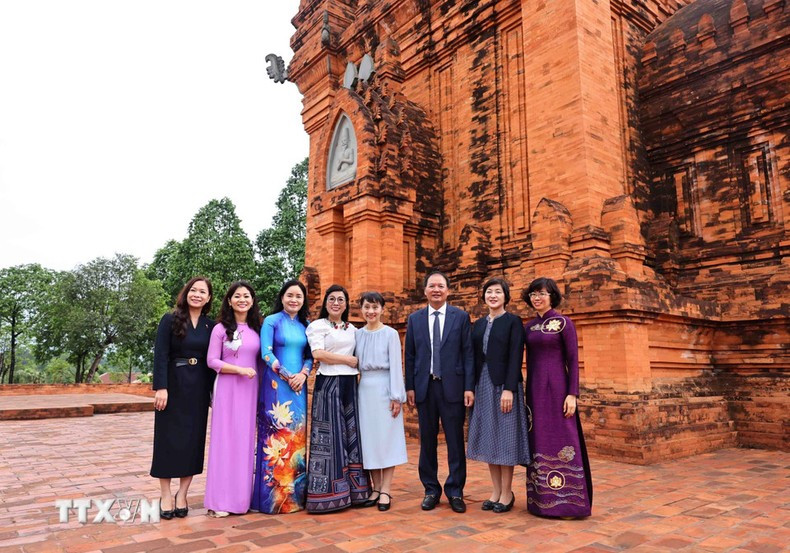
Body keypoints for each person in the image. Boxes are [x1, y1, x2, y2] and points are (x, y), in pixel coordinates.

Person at [405, 271, 474, 513]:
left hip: (453, 387)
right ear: (425, 291)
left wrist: (469, 387)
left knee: (455, 441)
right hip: (425, 388)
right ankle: (431, 490)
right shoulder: (414, 319)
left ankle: (455, 491)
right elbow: (410, 355)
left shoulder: (461, 317)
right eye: (432, 286)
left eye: (441, 286)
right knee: (427, 441)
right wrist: (409, 387)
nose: (436, 289)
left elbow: (468, 354)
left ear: (448, 291)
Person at [523, 277, 592, 518]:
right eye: (533, 294)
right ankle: (540, 501)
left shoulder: (564, 323)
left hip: (559, 390)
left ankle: (569, 504)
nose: (537, 297)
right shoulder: (529, 327)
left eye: (541, 293)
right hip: (534, 392)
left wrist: (572, 393)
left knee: (564, 436)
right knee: (538, 438)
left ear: (552, 295)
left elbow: (573, 361)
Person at [151, 277, 215, 520]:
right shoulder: (170, 319)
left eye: (203, 292)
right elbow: (161, 355)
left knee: (192, 441)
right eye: (194, 290)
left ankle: (183, 494)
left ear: (209, 298)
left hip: (198, 389)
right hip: (173, 386)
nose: (197, 295)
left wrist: (212, 393)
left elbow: (212, 361)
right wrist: (161, 388)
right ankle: (165, 494)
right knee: (167, 440)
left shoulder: (211, 326)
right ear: (186, 293)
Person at [466, 277, 530, 512]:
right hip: (482, 384)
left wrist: (509, 389)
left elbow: (516, 356)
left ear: (505, 297)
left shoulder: (513, 322)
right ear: (484, 297)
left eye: (498, 292)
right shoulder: (479, 324)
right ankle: (495, 490)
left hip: (504, 385)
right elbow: (473, 357)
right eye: (489, 292)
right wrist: (469, 387)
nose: (493, 296)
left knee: (505, 436)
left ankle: (507, 492)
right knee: (489, 436)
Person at [305, 284, 370, 512]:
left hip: (350, 384)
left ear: (346, 303)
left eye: (340, 299)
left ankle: (356, 492)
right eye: (331, 299)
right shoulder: (317, 326)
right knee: (329, 437)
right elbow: (318, 354)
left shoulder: (353, 329)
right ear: (325, 302)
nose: (336, 303)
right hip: (328, 383)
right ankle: (326, 494)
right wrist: (347, 361)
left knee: (351, 435)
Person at [252, 279, 312, 514]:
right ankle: (273, 500)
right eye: (290, 295)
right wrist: (288, 375)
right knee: (276, 438)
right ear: (282, 297)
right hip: (277, 385)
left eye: (298, 296)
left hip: (299, 387)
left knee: (296, 437)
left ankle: (295, 499)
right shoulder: (271, 321)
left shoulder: (306, 324)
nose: (294, 300)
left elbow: (310, 355)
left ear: (303, 300)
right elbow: (265, 353)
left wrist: (303, 374)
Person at [204, 281, 263, 517]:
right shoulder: (220, 329)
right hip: (228, 388)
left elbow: (259, 361)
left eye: (246, 296)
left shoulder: (256, 329)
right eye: (237, 296)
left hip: (250, 390)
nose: (242, 299)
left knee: (245, 441)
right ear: (229, 301)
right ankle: (220, 501)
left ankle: (240, 500)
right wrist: (238, 370)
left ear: (252, 301)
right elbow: (212, 361)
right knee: (224, 441)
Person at [355, 291, 408, 512]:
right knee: (369, 441)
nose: (371, 311)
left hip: (385, 387)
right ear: (361, 309)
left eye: (375, 307)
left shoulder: (390, 334)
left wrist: (397, 396)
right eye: (367, 307)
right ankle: (375, 488)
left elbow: (397, 365)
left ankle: (386, 488)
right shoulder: (357, 334)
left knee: (387, 440)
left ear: (382, 309)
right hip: (364, 389)